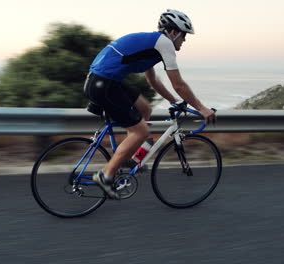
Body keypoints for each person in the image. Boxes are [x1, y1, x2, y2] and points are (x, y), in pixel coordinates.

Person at [83, 9, 216, 199]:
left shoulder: (153, 46)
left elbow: (153, 81)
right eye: (183, 35)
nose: (184, 41)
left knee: (145, 109)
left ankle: (127, 156)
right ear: (173, 33)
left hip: (104, 82)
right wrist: (201, 108)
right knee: (141, 132)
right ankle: (106, 175)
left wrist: (174, 101)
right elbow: (178, 83)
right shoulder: (164, 44)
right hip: (104, 85)